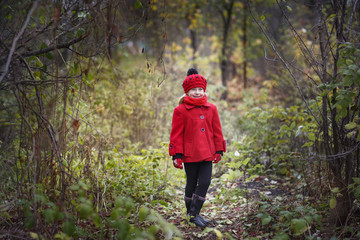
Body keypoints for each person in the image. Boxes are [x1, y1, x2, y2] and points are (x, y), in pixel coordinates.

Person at [169, 68, 226, 227]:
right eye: (194, 89)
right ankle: (192, 214)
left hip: (207, 153)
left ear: (204, 90)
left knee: (205, 182)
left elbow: (217, 130)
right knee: (191, 183)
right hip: (190, 153)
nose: (197, 92)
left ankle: (194, 213)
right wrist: (177, 154)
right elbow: (176, 134)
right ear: (187, 92)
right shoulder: (180, 110)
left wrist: (219, 150)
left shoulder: (212, 108)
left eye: (200, 89)